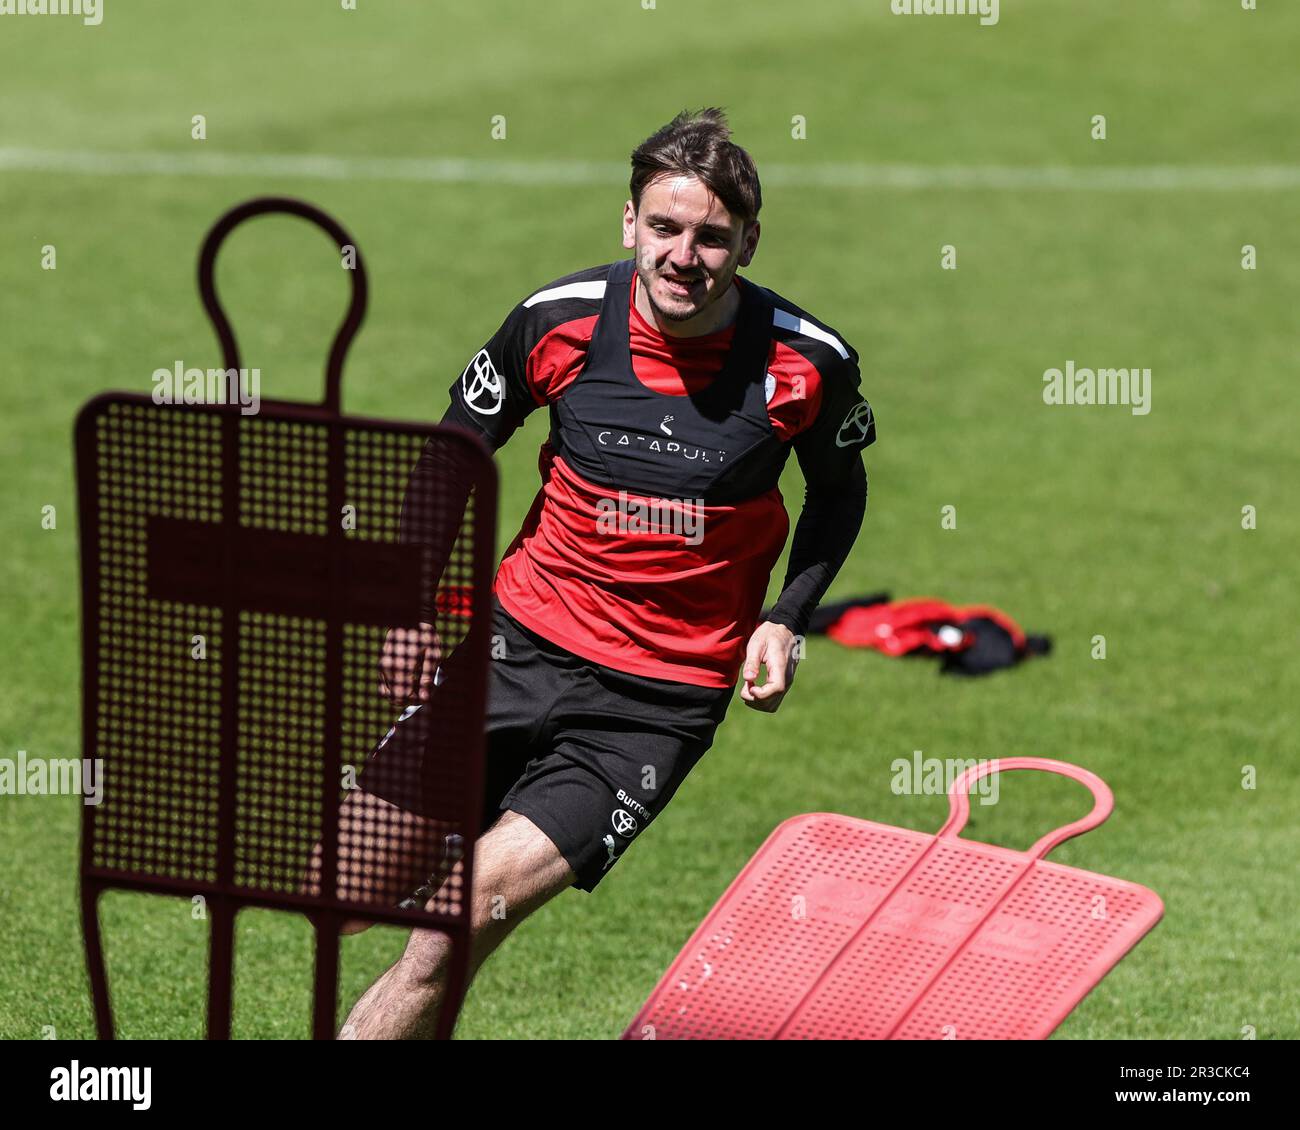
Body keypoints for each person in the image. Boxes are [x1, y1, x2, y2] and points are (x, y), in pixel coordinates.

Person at [340, 107, 876, 1038]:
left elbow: (838, 492)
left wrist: (787, 616)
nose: (684, 255)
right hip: (515, 648)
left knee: (452, 925)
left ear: (749, 241)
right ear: (628, 222)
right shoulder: (558, 320)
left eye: (712, 236)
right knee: (343, 886)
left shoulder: (807, 363)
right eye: (664, 227)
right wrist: (407, 604)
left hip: (652, 705)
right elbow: (455, 449)